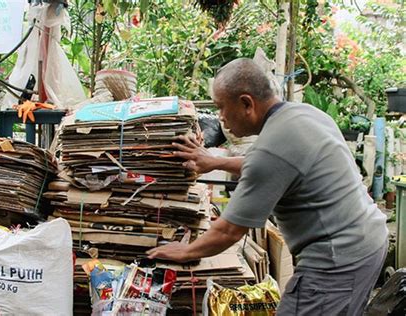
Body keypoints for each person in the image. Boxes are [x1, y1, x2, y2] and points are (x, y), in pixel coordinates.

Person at [147, 58, 388, 315]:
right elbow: (280, 164)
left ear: (246, 103)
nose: (220, 118)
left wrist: (186, 251)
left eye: (221, 107)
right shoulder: (304, 114)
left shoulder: (270, 149)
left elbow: (229, 230)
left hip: (338, 257)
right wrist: (214, 162)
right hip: (368, 239)